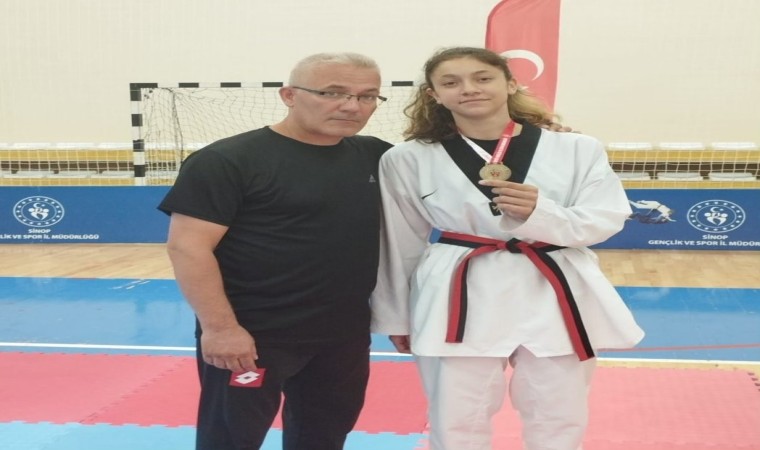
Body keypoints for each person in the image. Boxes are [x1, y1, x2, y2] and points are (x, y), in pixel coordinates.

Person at [370, 46, 645, 450]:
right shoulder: (407, 158)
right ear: (434, 95)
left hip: (552, 286)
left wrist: (541, 214)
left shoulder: (577, 148)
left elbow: (605, 218)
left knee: (559, 414)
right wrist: (396, 316)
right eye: (451, 82)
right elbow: (399, 241)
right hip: (459, 292)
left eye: (483, 78)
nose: (469, 88)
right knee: (456, 416)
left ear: (511, 84)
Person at [158, 52, 393, 450]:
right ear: (289, 95)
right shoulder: (227, 160)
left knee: (324, 438)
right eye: (332, 92)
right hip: (253, 335)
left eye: (367, 96)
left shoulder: (376, 156)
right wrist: (220, 329)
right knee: (230, 440)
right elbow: (187, 247)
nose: (352, 106)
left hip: (343, 335)